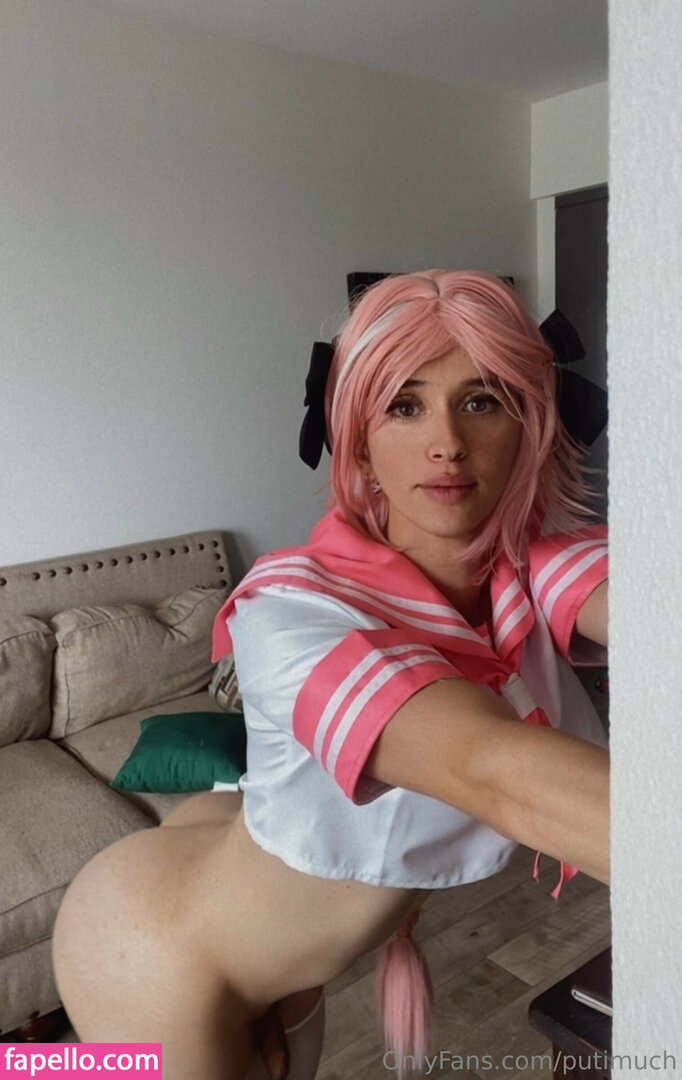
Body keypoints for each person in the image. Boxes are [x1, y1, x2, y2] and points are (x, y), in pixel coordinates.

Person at [52, 269, 609, 1080]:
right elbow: (490, 770)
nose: (447, 442)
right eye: (404, 406)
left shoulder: (530, 568)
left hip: (259, 912)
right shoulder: (290, 610)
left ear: (528, 425)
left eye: (482, 400)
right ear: (361, 444)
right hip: (154, 957)